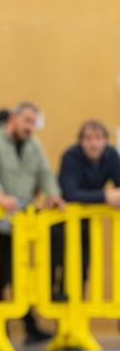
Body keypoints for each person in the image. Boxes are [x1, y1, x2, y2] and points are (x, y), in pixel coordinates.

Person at [0, 101, 64, 344]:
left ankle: (29, 326)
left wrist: (53, 194)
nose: (30, 127)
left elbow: (45, 171)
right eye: (27, 121)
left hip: (22, 224)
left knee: (23, 275)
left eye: (34, 123)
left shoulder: (33, 144)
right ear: (13, 118)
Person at [58, 119, 120, 289]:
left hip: (87, 220)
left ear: (106, 141)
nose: (93, 143)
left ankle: (77, 303)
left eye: (98, 138)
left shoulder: (112, 155)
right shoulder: (70, 156)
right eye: (88, 138)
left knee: (83, 264)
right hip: (61, 219)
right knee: (59, 263)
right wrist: (105, 196)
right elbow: (70, 193)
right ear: (80, 141)